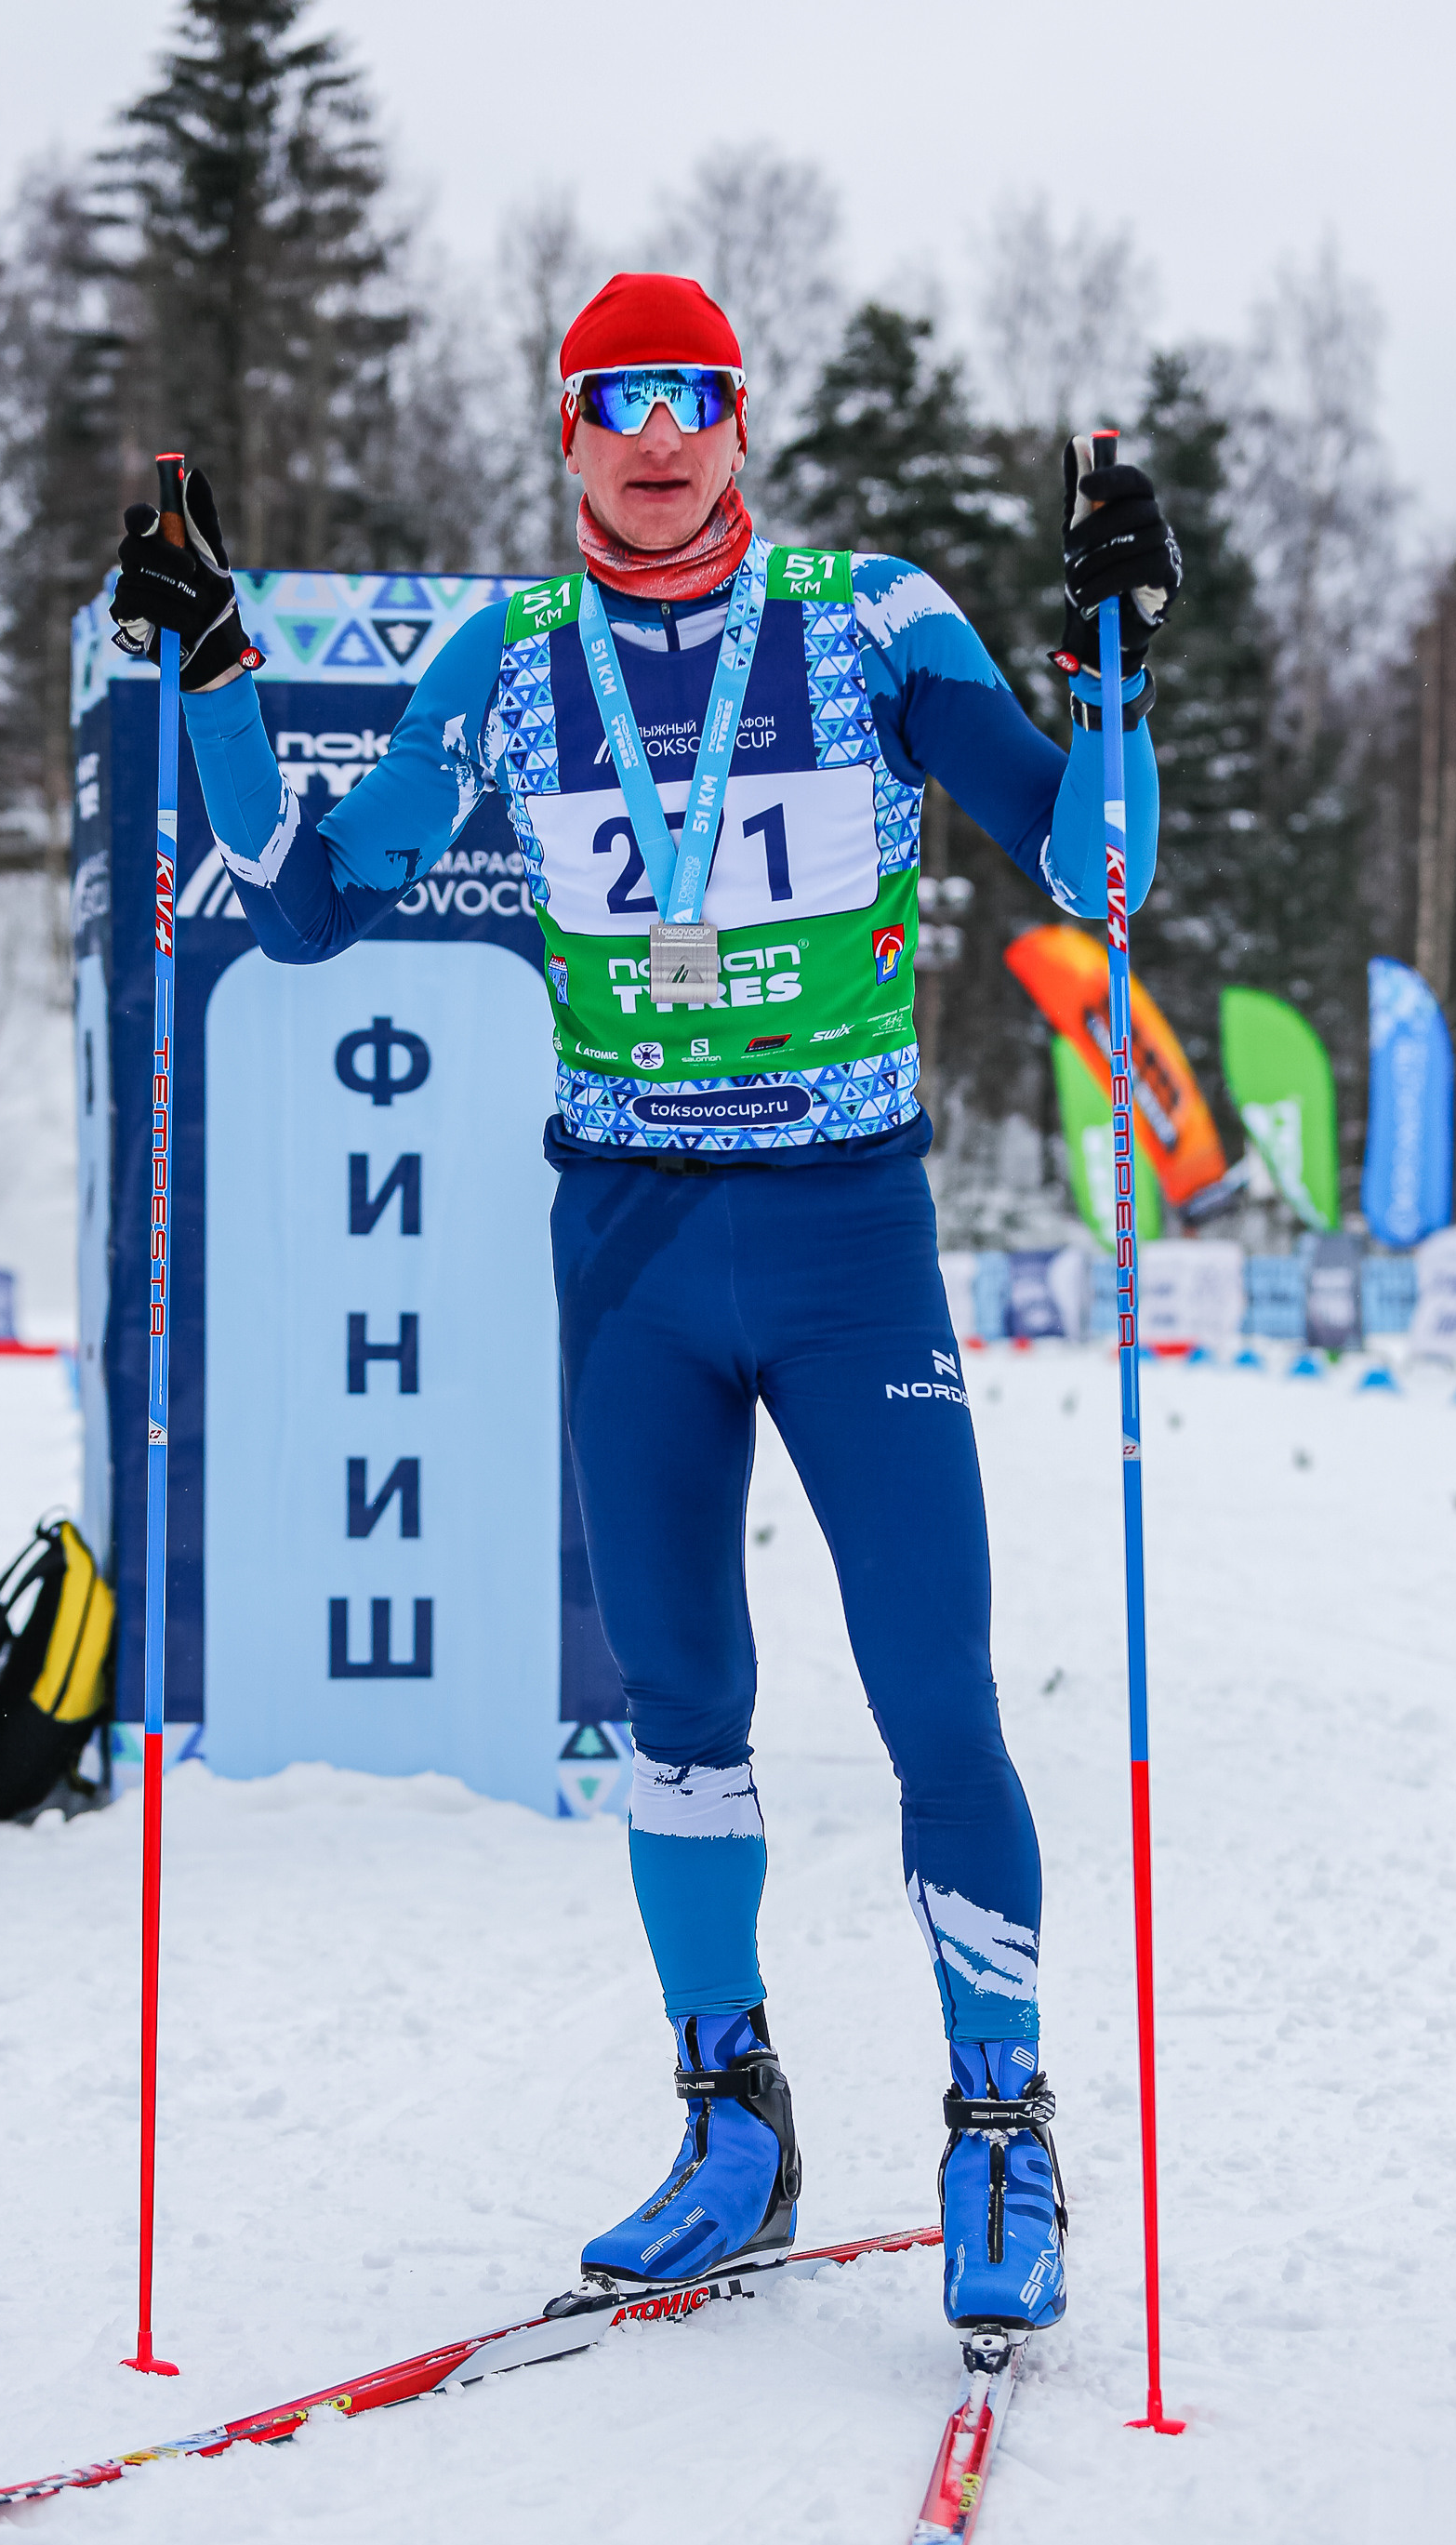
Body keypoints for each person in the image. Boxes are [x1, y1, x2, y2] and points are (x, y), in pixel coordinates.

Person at [110, 272, 1180, 2338]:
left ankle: (999, 2131)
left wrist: (1113, 661)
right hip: (629, 1248)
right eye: (618, 401)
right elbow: (310, 900)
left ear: (742, 427)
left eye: (693, 396)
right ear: (570, 434)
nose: (658, 434)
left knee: (934, 1698)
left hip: (845, 1233)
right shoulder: (506, 666)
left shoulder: (871, 618)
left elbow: (1092, 865)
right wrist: (220, 672)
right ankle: (734, 2126)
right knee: (676, 1714)